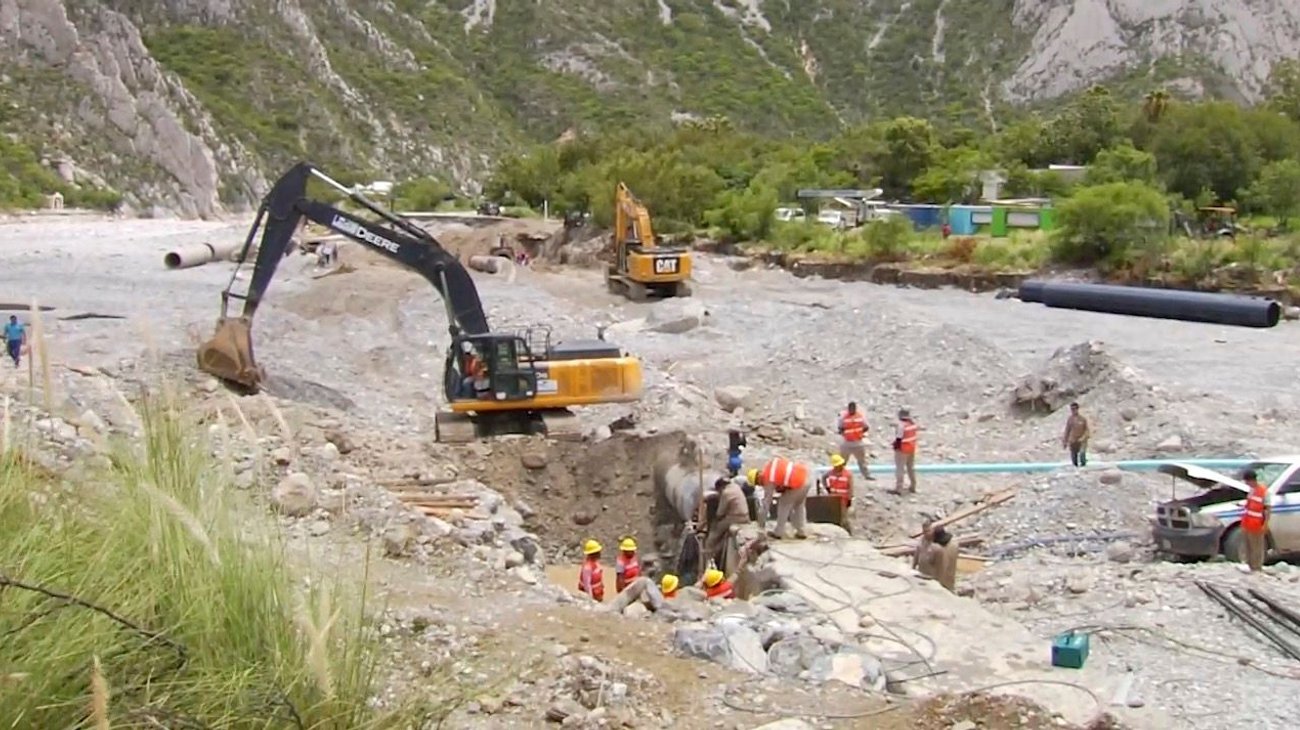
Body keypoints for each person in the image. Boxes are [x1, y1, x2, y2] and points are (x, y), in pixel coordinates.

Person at [748, 457, 811, 540]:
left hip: (798, 483)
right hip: (806, 478)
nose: (761, 485)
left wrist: (761, 524)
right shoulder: (770, 466)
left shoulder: (768, 479)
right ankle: (802, 531)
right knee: (799, 505)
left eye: (758, 484)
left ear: (758, 479)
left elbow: (766, 504)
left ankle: (778, 532)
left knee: (784, 504)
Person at [913, 520, 959, 592]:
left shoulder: (941, 547)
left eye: (928, 531)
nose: (926, 533)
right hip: (923, 576)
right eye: (924, 531)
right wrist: (913, 567)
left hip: (937, 580)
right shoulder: (923, 540)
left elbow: (943, 567)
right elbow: (917, 552)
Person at [1240, 469, 1270, 573]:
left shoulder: (1263, 491)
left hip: (1257, 523)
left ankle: (1257, 567)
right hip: (1248, 521)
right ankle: (1249, 565)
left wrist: (1265, 524)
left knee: (1257, 547)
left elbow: (1267, 509)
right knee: (1248, 545)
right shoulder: (1251, 490)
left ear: (1252, 480)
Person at [837, 401, 873, 480]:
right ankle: (838, 474)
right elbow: (840, 428)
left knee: (862, 461)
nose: (851, 410)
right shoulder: (844, 417)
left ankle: (867, 475)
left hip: (858, 442)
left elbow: (866, 427)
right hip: (847, 442)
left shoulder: (860, 416)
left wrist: (859, 433)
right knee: (842, 460)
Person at [890, 408, 919, 494]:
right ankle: (913, 486)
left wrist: (895, 447)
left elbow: (899, 438)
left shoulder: (901, 425)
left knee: (900, 469)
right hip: (911, 449)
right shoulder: (912, 424)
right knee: (911, 468)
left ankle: (899, 488)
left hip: (902, 450)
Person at [1062, 402, 1090, 467]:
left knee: (1082, 453)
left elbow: (1087, 430)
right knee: (1074, 457)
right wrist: (1065, 441)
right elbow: (1067, 430)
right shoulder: (1070, 419)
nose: (1073, 411)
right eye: (1072, 409)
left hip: (1082, 440)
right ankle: (1075, 467)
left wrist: (1083, 437)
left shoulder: (1082, 419)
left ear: (1077, 409)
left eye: (1074, 409)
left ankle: (1083, 465)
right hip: (1073, 440)